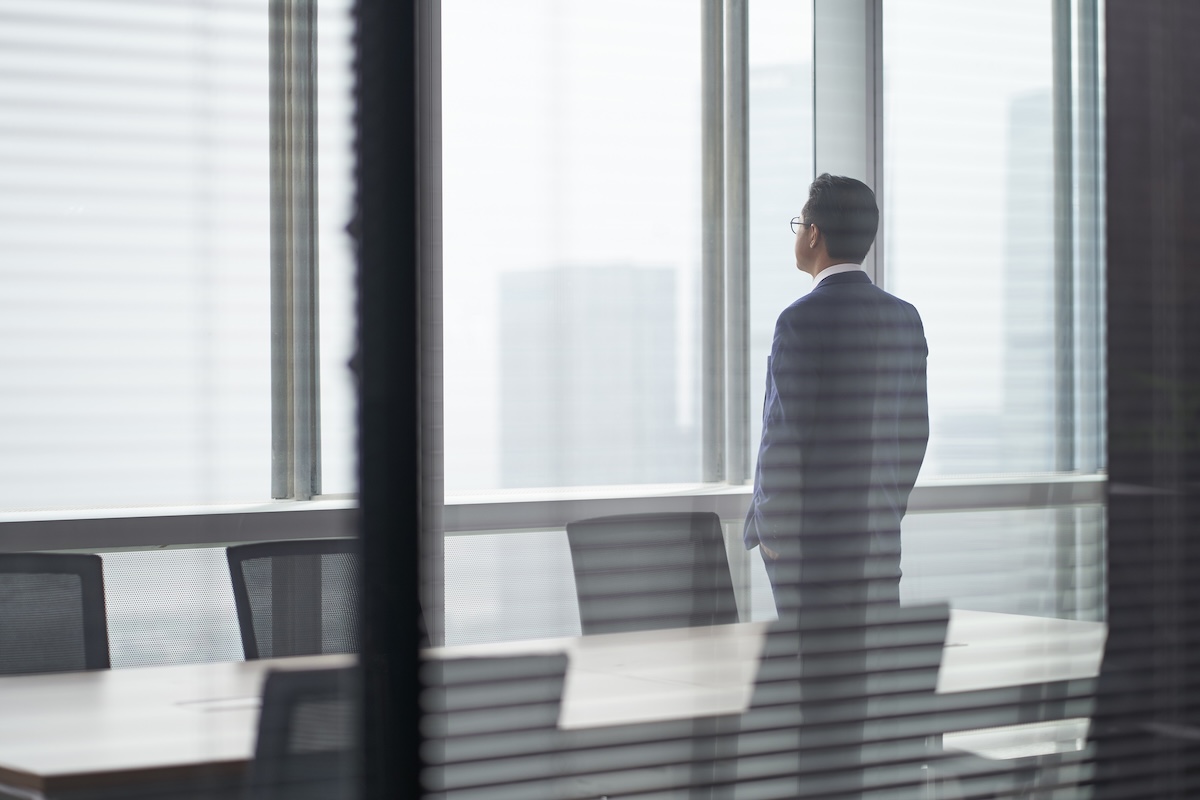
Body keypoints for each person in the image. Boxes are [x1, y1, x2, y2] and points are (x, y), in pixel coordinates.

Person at [743, 173, 929, 615]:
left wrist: (772, 533)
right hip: (877, 544)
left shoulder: (799, 320)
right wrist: (882, 511)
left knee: (814, 673)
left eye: (798, 224)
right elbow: (914, 435)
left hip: (810, 551)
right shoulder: (905, 318)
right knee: (869, 671)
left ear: (812, 234)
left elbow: (783, 435)